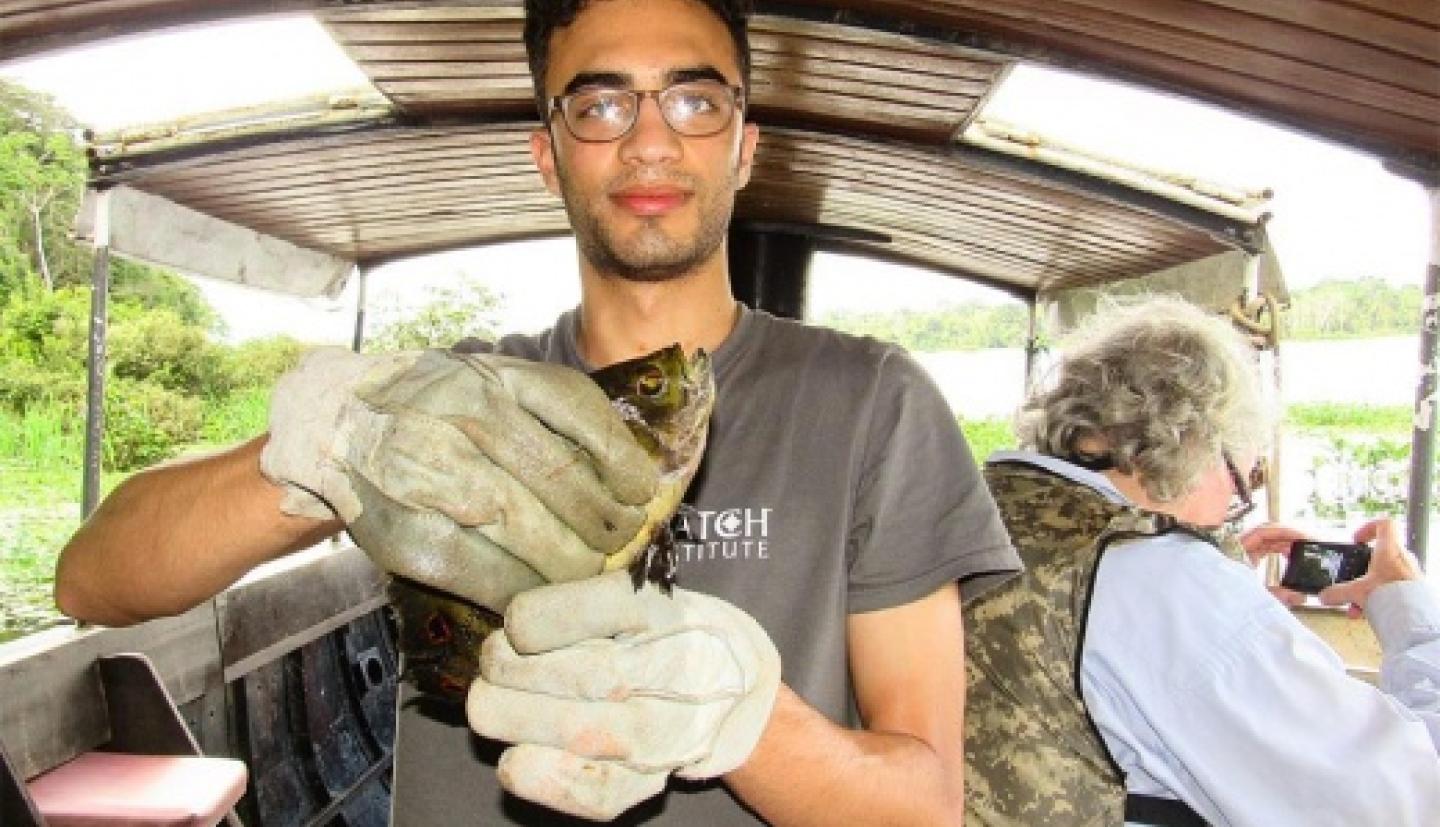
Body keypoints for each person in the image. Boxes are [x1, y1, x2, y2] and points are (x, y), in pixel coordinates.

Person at [55, 0, 1020, 823]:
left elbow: (924, 801)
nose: (650, 139)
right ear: (548, 155)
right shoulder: (457, 408)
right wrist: (324, 447)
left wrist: (747, 719)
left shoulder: (870, 403)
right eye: (600, 103)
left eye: (695, 99)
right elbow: (94, 579)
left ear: (744, 146)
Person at [962, 296, 1440, 826]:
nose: (1232, 514)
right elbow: (1404, 799)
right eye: (1244, 481)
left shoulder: (977, 517)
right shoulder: (1168, 582)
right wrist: (1409, 613)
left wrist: (1235, 601)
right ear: (1195, 446)